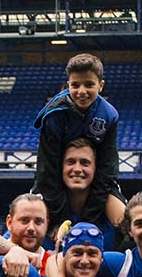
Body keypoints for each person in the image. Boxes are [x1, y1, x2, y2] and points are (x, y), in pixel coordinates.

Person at [32, 52, 124, 227]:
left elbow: (107, 168)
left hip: (92, 178)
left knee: (124, 222)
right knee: (29, 212)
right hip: (56, 179)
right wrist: (59, 219)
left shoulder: (109, 116)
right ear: (68, 85)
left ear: (101, 86)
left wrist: (89, 219)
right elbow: (47, 169)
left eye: (89, 85)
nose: (82, 92)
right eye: (75, 85)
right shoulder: (54, 115)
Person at [49, 138, 118, 240]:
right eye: (71, 162)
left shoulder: (112, 206)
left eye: (84, 163)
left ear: (95, 168)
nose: (77, 169)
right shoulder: (45, 211)